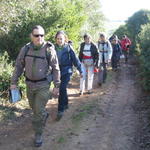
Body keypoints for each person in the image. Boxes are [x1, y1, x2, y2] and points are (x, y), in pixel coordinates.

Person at [10, 25, 60, 147]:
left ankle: (38, 134)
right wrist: (14, 82)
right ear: (32, 36)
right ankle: (44, 114)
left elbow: (55, 68)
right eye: (37, 35)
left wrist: (56, 85)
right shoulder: (25, 49)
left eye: (42, 35)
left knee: (37, 111)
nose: (39, 38)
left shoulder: (49, 50)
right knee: (34, 108)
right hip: (29, 85)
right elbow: (18, 66)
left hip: (43, 85)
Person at [54, 31, 82, 120]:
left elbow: (75, 59)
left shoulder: (69, 47)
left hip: (67, 70)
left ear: (65, 39)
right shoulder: (53, 48)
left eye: (61, 38)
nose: (59, 40)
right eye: (58, 39)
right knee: (63, 89)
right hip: (57, 71)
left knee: (62, 88)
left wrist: (80, 70)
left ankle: (60, 110)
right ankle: (65, 103)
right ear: (56, 39)